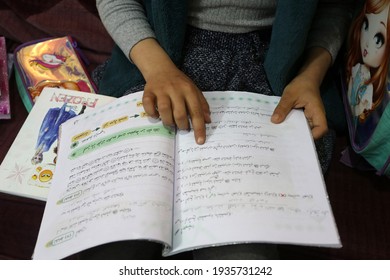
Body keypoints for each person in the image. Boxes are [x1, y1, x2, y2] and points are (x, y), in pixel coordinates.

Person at [87, 0, 354, 259]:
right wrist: (158, 68)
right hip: (156, 58)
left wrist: (309, 76)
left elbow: (334, 7)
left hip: (273, 73)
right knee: (116, 239)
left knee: (241, 255)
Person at [346, 0, 390, 146]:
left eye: (378, 39)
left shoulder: (370, 87)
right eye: (365, 25)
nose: (366, 43)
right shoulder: (359, 69)